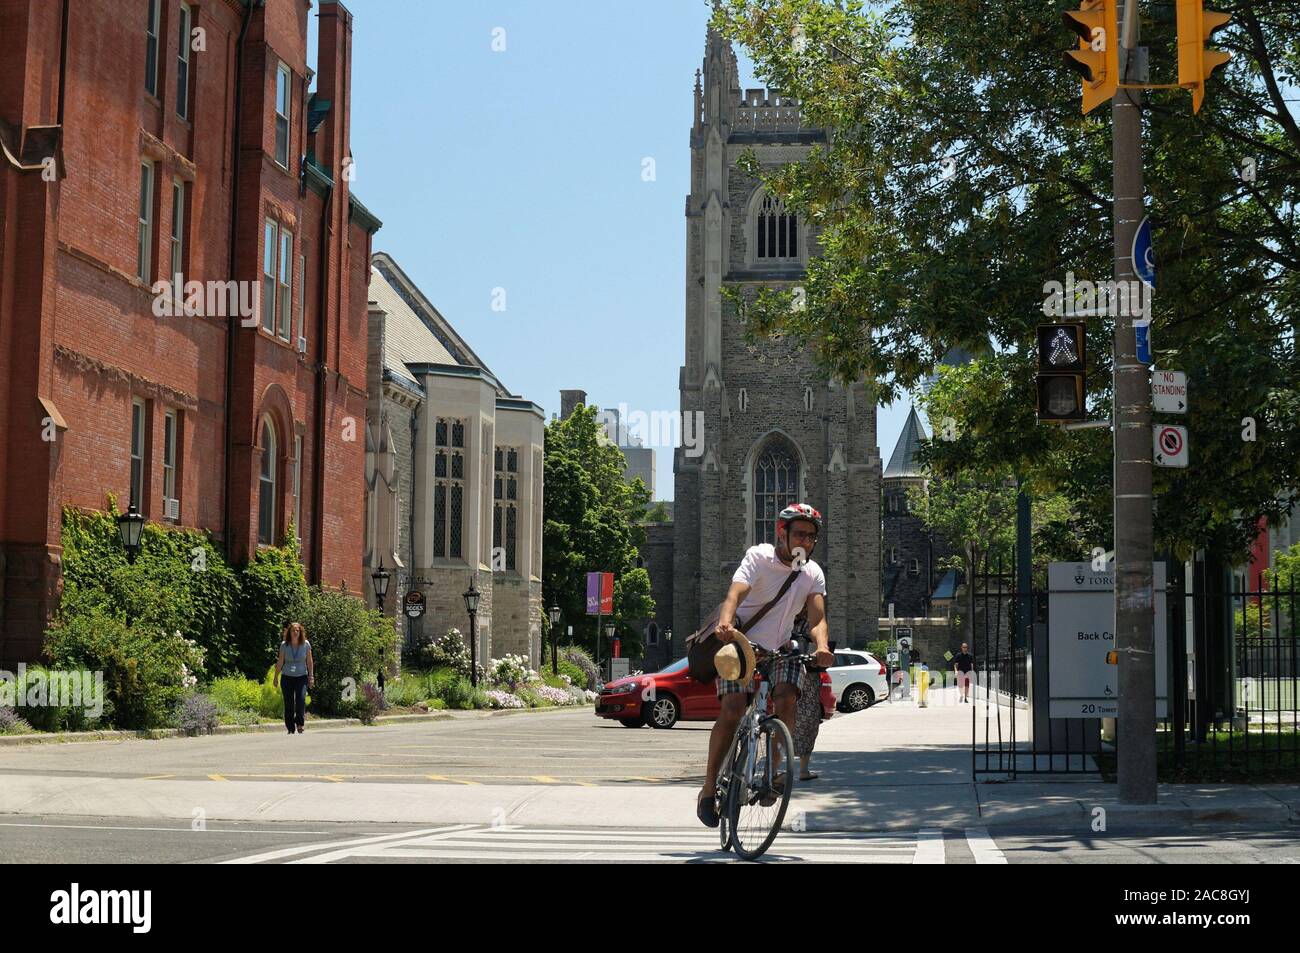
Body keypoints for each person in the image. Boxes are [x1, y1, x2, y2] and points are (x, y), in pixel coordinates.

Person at [697, 503, 835, 828]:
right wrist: (726, 625)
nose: (805, 541)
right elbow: (735, 595)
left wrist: (823, 646)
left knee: (787, 697)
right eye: (799, 534)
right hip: (741, 645)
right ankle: (707, 788)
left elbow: (818, 619)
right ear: (782, 532)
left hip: (780, 650)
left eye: (811, 536)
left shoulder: (812, 573)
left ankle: (772, 770)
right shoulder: (759, 557)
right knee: (732, 710)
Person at [790, 609, 824, 781]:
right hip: (790, 672)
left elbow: (820, 642)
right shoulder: (784, 618)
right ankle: (775, 769)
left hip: (808, 675)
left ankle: (803, 769)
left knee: (809, 720)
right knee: (785, 718)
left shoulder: (810, 623)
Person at [274, 622, 314, 734]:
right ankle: (290, 727)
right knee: (289, 703)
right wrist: (276, 676)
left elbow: (309, 662)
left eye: (297, 630)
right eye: (293, 630)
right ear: (289, 632)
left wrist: (311, 676)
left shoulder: (305, 644)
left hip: (301, 677)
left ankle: (300, 724)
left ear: (300, 632)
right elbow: (280, 661)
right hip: (287, 677)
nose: (295, 632)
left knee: (301, 700)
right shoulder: (284, 645)